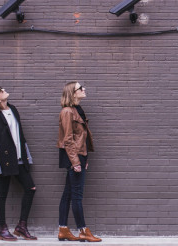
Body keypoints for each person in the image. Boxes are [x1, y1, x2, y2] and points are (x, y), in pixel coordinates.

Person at [0, 86, 37, 241]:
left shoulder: (13, 109)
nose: (3, 90)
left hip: (19, 159)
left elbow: (20, 135)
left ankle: (21, 226)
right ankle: (2, 229)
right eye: (0, 90)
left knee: (30, 188)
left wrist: (27, 156)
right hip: (4, 162)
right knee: (2, 194)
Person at [57, 82, 101, 242]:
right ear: (73, 93)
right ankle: (83, 230)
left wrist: (85, 157)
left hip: (78, 155)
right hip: (73, 156)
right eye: (80, 88)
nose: (84, 89)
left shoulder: (77, 110)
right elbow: (67, 139)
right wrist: (76, 161)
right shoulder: (67, 112)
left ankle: (63, 229)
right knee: (76, 195)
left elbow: (81, 138)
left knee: (68, 194)